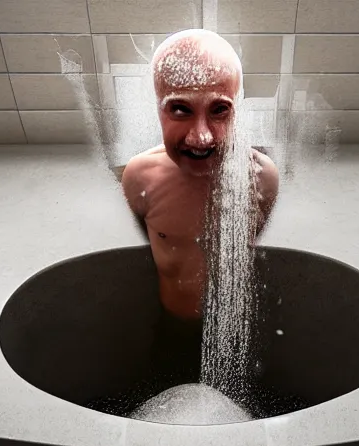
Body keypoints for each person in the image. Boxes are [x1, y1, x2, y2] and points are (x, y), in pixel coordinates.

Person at [119, 29, 279, 402]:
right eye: (180, 109)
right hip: (173, 329)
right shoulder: (141, 178)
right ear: (157, 106)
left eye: (220, 110)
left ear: (238, 106)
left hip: (235, 333)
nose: (201, 136)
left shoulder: (261, 180)